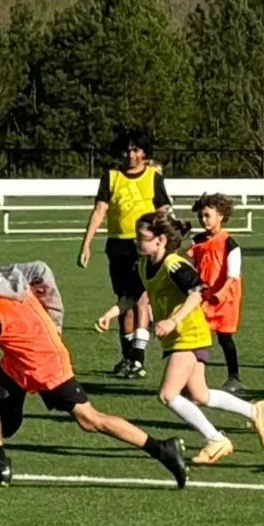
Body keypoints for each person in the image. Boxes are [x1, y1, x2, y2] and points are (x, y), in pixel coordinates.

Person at [0, 238, 189, 488]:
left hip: (42, 365)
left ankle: (162, 449)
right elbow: (41, 269)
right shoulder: (9, 275)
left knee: (90, 420)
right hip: (23, 359)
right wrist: (54, 320)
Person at [96, 211, 264, 465]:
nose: (137, 241)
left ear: (160, 240)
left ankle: (216, 439)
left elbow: (197, 292)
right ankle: (253, 410)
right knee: (200, 395)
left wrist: (173, 320)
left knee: (168, 394)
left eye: (142, 237)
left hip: (189, 336)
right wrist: (111, 314)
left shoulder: (174, 264)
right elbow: (133, 296)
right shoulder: (145, 264)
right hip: (176, 338)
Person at [78, 128, 171, 379]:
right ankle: (127, 356)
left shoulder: (153, 177)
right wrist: (86, 244)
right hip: (117, 246)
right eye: (127, 149)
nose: (131, 155)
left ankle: (138, 358)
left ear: (144, 153)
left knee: (142, 299)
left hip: (144, 247)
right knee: (124, 303)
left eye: (136, 149)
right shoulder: (111, 177)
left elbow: (163, 210)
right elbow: (99, 211)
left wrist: (163, 240)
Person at [188, 193, 245, 392]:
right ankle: (192, 378)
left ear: (220, 216)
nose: (203, 220)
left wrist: (221, 293)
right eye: (201, 216)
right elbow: (190, 263)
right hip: (204, 297)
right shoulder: (197, 241)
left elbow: (233, 275)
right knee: (196, 335)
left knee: (225, 338)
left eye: (207, 216)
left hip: (225, 299)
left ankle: (234, 377)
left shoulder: (230, 243)